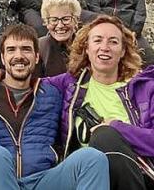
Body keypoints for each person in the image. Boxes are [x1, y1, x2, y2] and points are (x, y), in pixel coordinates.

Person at [0, 24, 110, 190]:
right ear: (2, 57)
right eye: (11, 50)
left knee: (92, 158)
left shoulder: (52, 92)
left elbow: (87, 72)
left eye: (26, 49)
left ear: (37, 57)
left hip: (43, 180)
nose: (19, 56)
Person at [46, 15, 154, 190]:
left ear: (123, 51)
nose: (105, 47)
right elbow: (25, 83)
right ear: (87, 48)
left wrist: (117, 127)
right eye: (97, 40)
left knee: (104, 135)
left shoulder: (145, 88)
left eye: (113, 42)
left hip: (140, 176)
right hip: (88, 178)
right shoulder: (70, 84)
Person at [38, 0, 82, 77]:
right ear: (46, 22)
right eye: (54, 20)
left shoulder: (86, 45)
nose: (60, 25)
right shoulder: (39, 47)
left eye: (66, 19)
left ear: (76, 20)